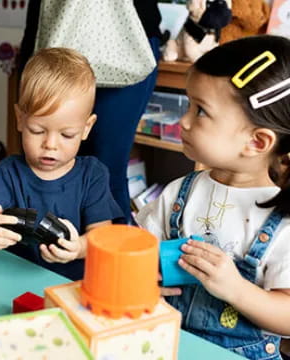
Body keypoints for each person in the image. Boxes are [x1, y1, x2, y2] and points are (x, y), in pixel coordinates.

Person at [136, 35, 290, 359]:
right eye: (189, 104)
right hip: (169, 343)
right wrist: (144, 275)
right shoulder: (182, 192)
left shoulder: (284, 222)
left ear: (257, 142)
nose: (185, 121)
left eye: (201, 111)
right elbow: (140, 250)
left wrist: (236, 289)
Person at [0, 48, 124, 280]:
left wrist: (79, 247)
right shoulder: (9, 172)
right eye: (37, 130)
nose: (50, 144)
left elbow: (103, 236)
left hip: (71, 288)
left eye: (67, 135)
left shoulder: (93, 175)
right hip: (12, 282)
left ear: (86, 128)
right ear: (20, 119)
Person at [18, 0, 162, 224]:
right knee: (42, 168)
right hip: (53, 29)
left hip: (126, 39)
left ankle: (109, 255)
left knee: (106, 171)